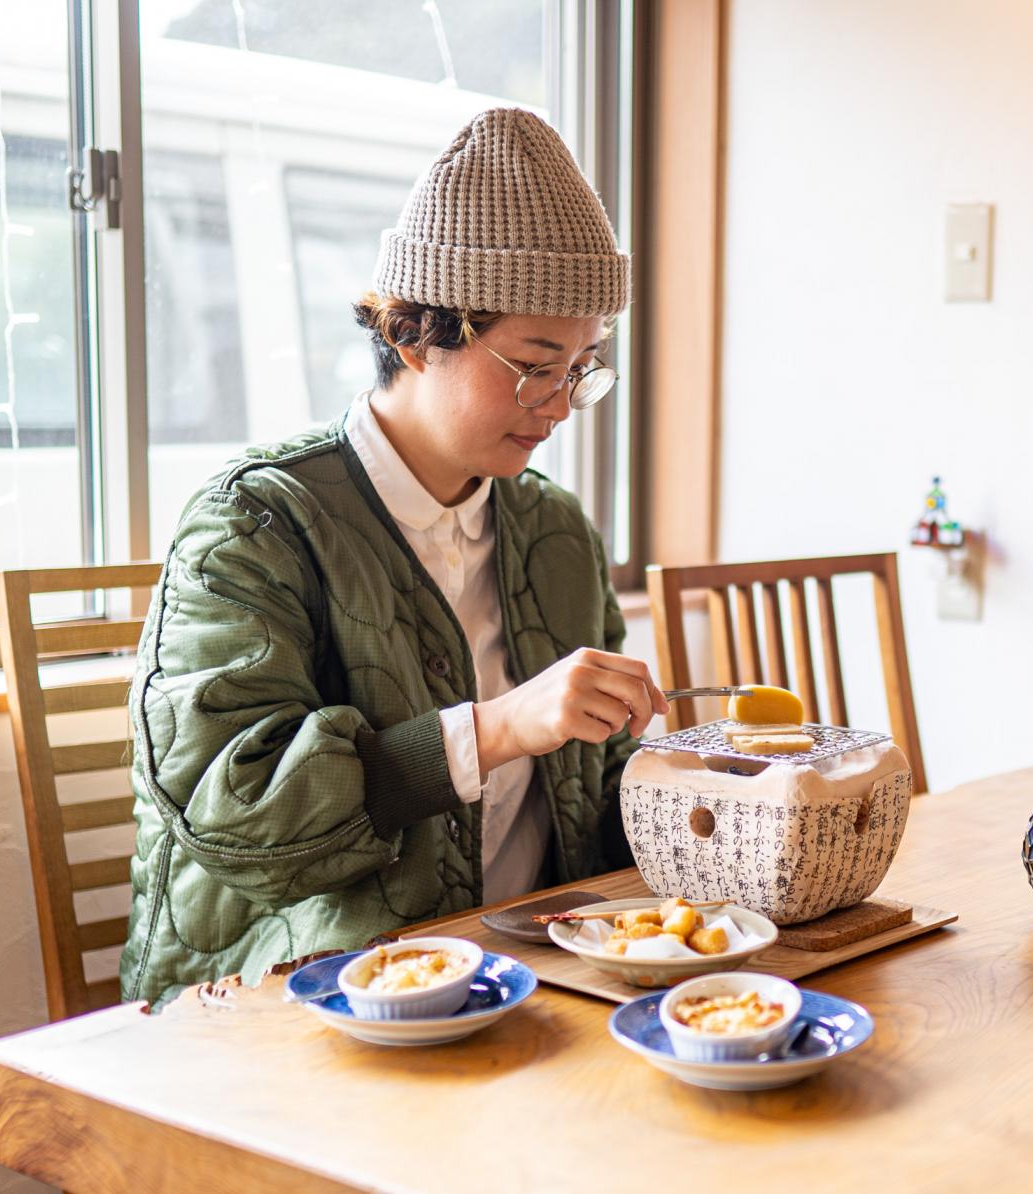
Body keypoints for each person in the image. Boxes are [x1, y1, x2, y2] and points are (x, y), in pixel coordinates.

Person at [119, 107, 667, 1005]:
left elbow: (596, 791)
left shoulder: (555, 531)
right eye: (536, 362)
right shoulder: (255, 523)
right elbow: (239, 810)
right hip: (301, 998)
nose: (561, 403)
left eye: (583, 367)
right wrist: (502, 726)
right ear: (415, 335)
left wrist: (701, 790)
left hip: (532, 979)